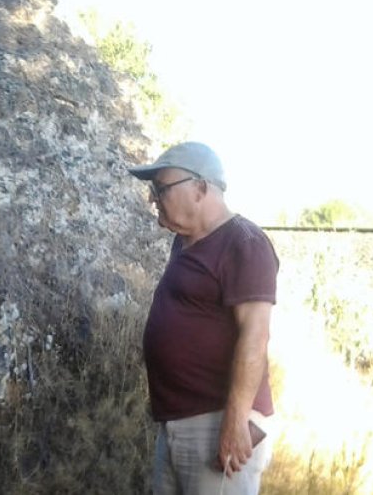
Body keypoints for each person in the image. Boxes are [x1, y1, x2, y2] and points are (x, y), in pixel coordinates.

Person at [127, 142, 279, 495]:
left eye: (161, 188)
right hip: (178, 422)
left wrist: (235, 422)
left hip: (216, 423)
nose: (153, 199)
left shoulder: (245, 243)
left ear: (200, 188)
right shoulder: (185, 242)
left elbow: (255, 337)